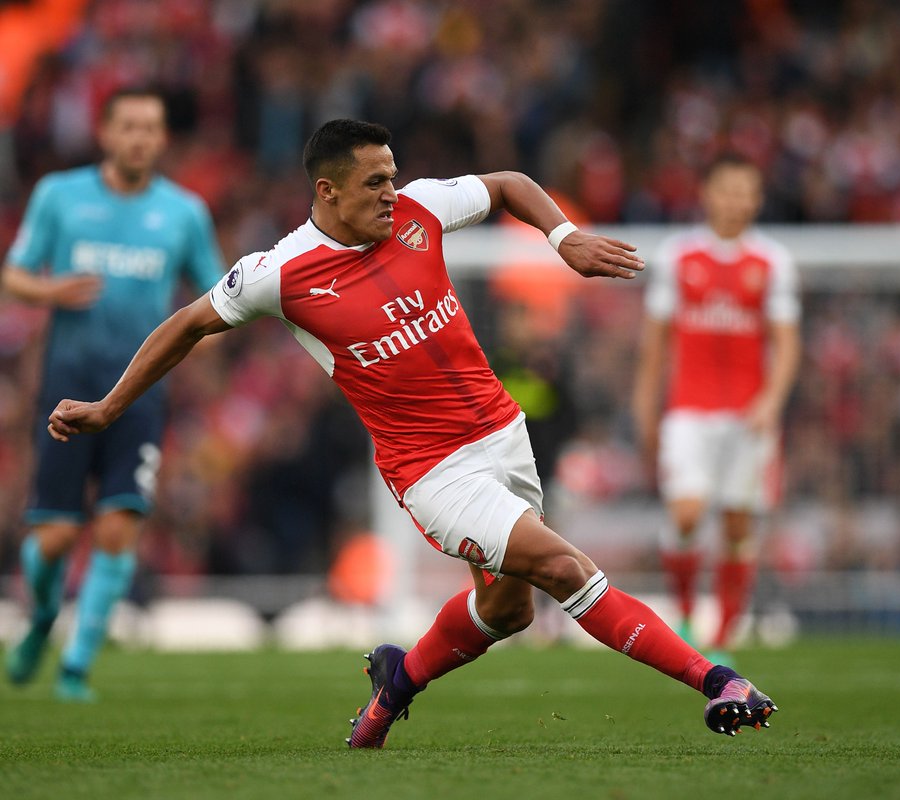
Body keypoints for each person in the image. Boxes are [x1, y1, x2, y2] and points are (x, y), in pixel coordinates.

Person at [44, 119, 778, 743]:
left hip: (503, 435)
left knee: (508, 609)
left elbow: (508, 183)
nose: (390, 193)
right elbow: (187, 324)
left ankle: (397, 680)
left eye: (392, 177)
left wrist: (562, 237)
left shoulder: (420, 209)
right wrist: (108, 407)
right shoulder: (280, 273)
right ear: (327, 191)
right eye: (373, 183)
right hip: (433, 472)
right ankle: (717, 679)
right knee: (562, 568)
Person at [3, 87, 226, 701]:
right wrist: (50, 292)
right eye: (128, 126)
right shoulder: (59, 196)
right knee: (52, 538)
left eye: (150, 127)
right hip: (67, 389)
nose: (139, 138)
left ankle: (76, 666)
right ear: (104, 133)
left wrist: (199, 352)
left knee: (118, 529)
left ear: (163, 138)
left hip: (139, 395)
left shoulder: (184, 212)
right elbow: (13, 273)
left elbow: (218, 296)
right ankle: (43, 617)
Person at [631, 154, 801, 660]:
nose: (735, 201)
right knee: (686, 514)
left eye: (745, 191)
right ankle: (686, 619)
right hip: (689, 408)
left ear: (757, 199)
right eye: (727, 189)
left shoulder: (772, 261)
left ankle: (724, 637)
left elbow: (787, 343)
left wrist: (771, 401)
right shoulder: (678, 256)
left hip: (749, 414)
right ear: (707, 193)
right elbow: (655, 344)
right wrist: (645, 406)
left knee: (737, 524)